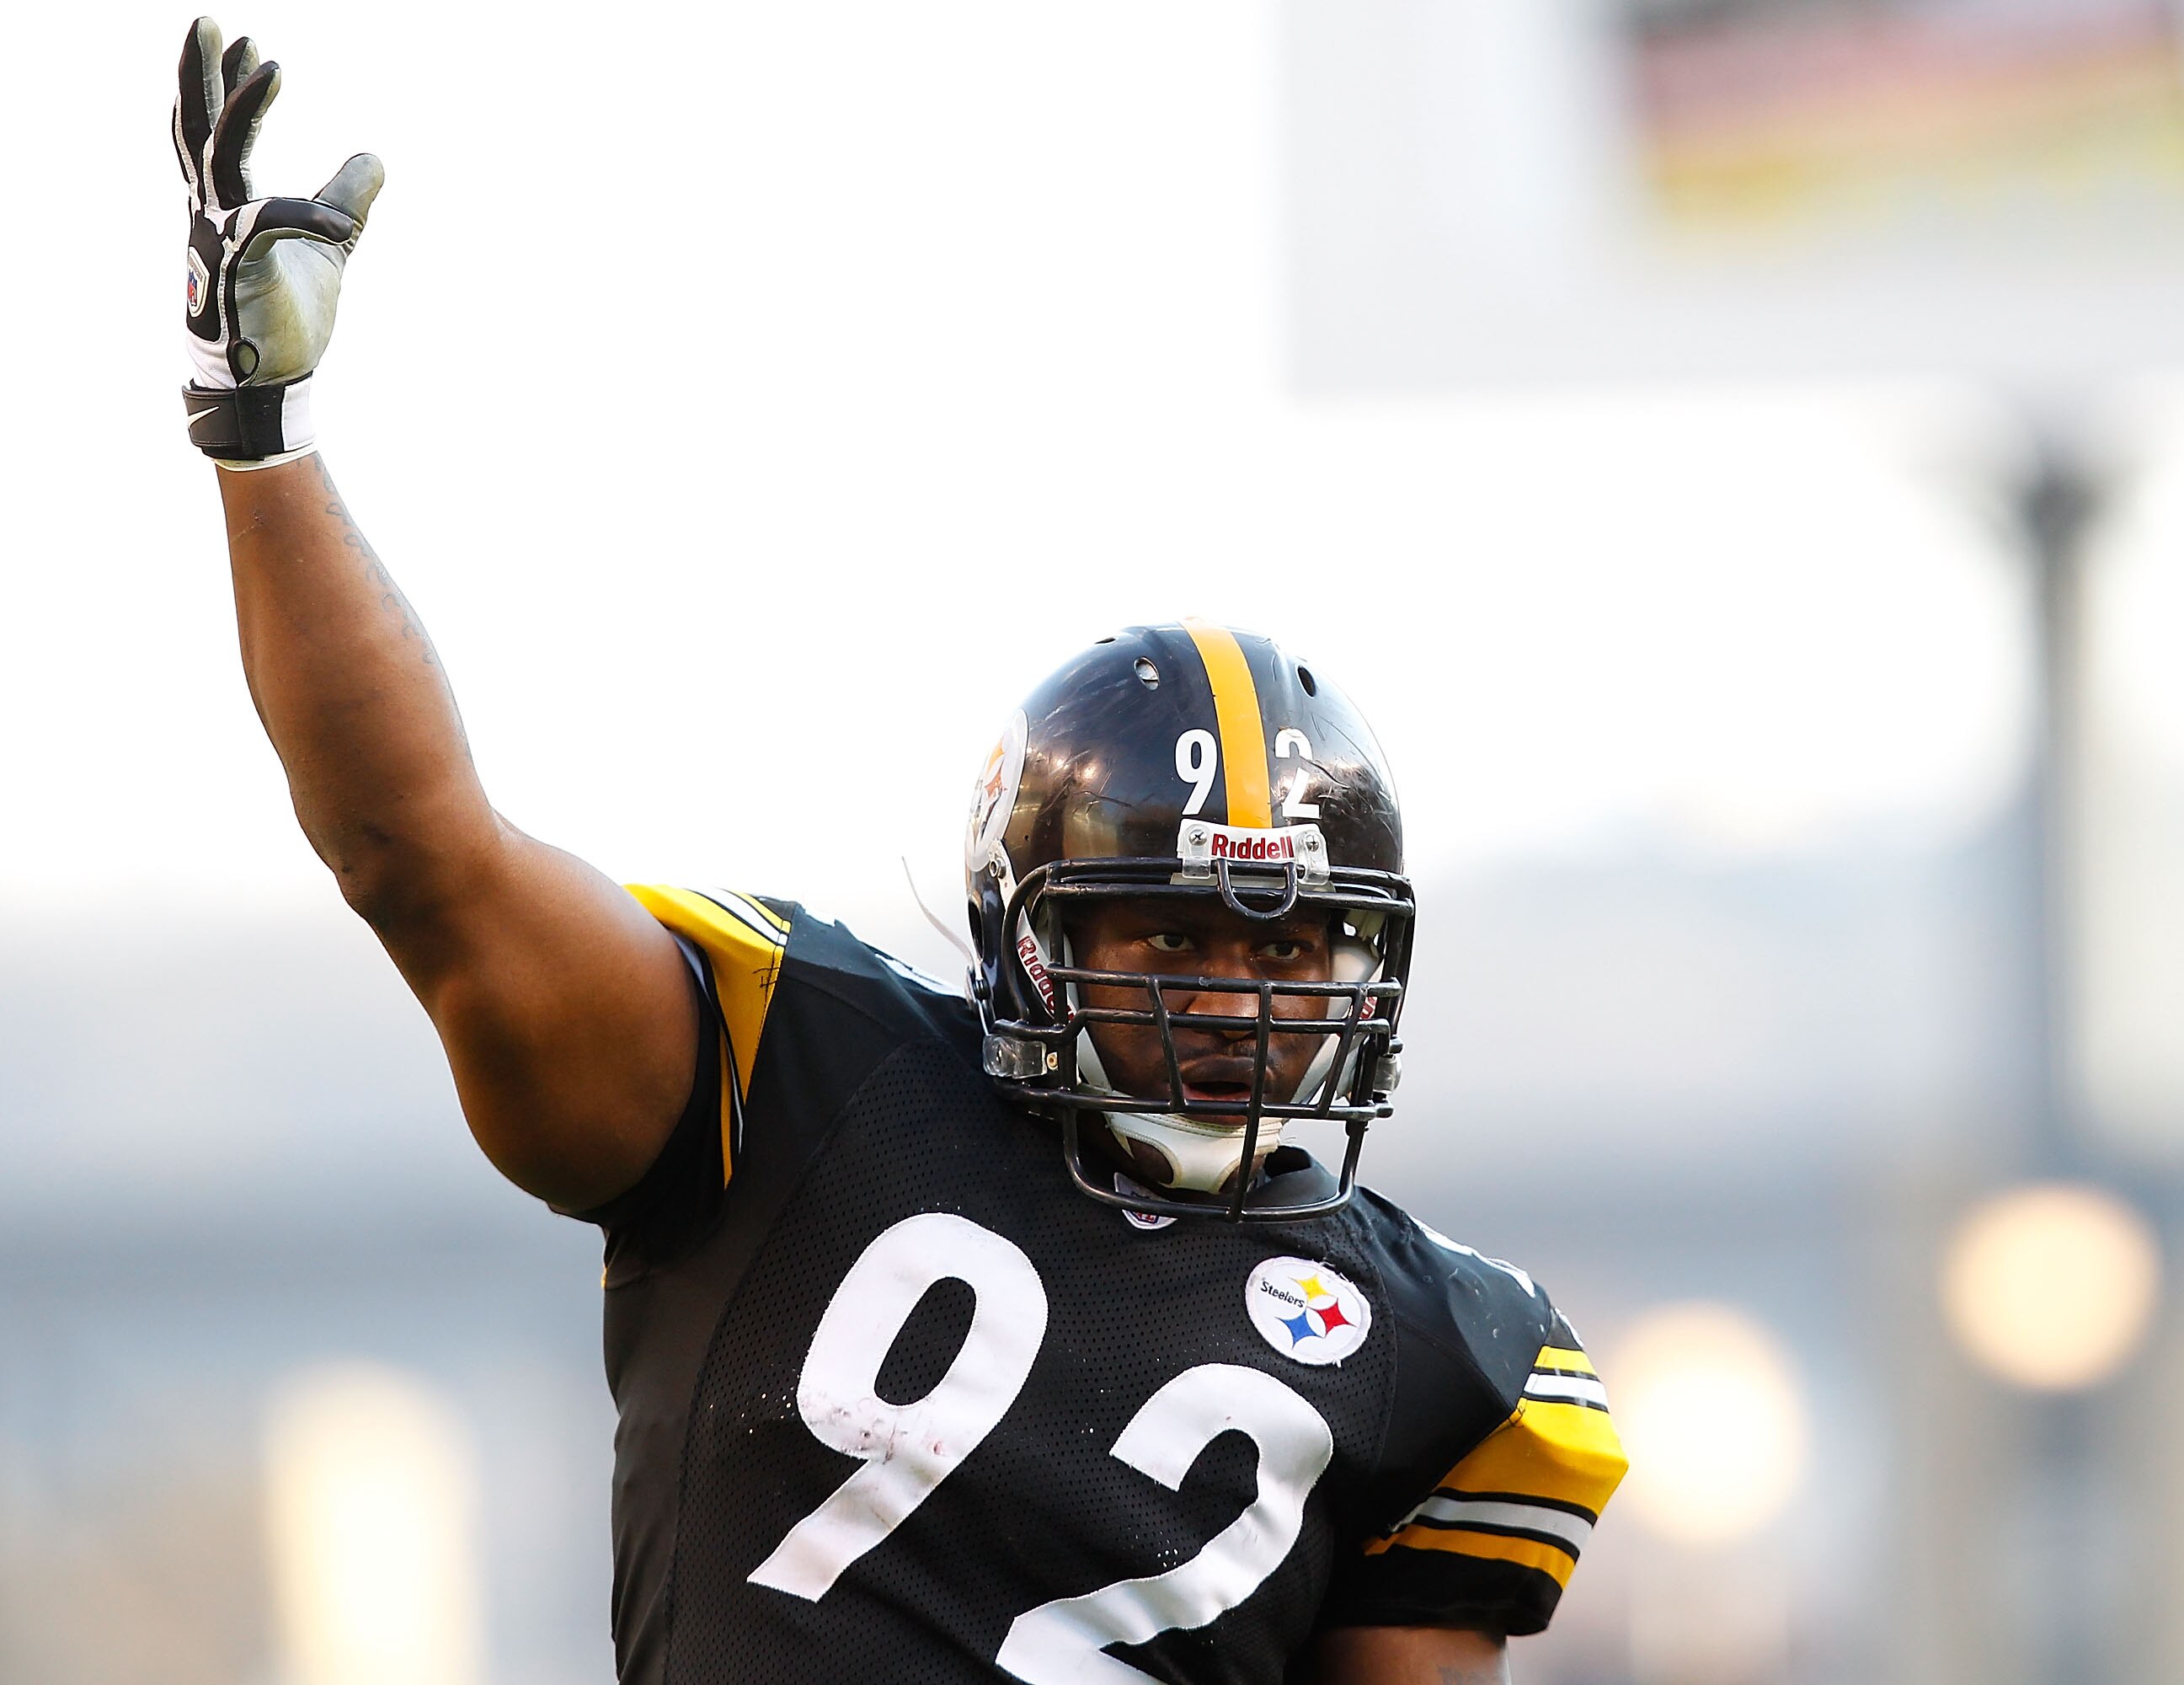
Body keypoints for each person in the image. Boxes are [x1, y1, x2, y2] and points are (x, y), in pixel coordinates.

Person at [174, 18, 1626, 1683]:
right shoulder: (791, 1078)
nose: (1239, 997)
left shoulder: (1441, 1347)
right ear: (1024, 936)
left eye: (1290, 947)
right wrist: (259, 436)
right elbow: (418, 854)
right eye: (1174, 937)